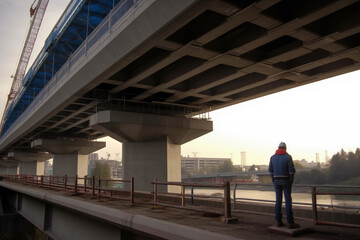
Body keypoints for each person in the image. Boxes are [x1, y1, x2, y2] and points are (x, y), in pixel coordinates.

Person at [268, 142, 300, 229]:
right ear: (285, 148)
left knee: (278, 200)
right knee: (288, 201)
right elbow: (291, 171)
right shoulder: (288, 157)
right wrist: (290, 181)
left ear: (278, 148)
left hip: (276, 181)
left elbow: (270, 170)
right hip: (286, 180)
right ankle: (290, 222)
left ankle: (278, 221)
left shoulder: (273, 157)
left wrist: (273, 180)